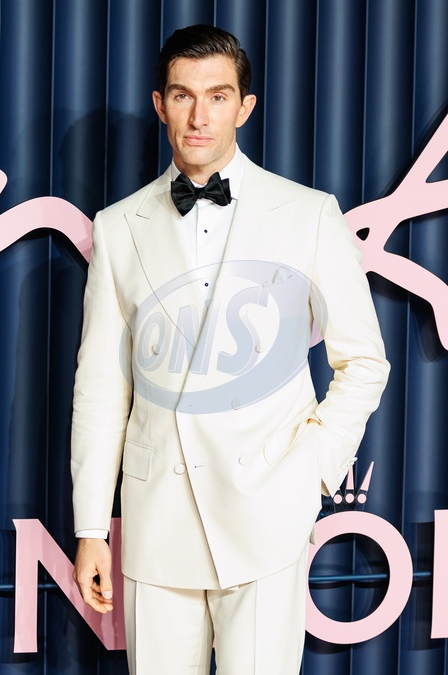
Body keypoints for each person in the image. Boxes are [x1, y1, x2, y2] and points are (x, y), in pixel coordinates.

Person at [71, 24, 389, 674]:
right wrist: (91, 529)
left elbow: (363, 360)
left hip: (267, 515)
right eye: (183, 96)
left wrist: (312, 471)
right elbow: (101, 387)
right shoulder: (117, 226)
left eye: (217, 96)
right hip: (158, 522)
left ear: (244, 106)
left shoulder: (308, 213)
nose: (199, 116)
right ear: (160, 104)